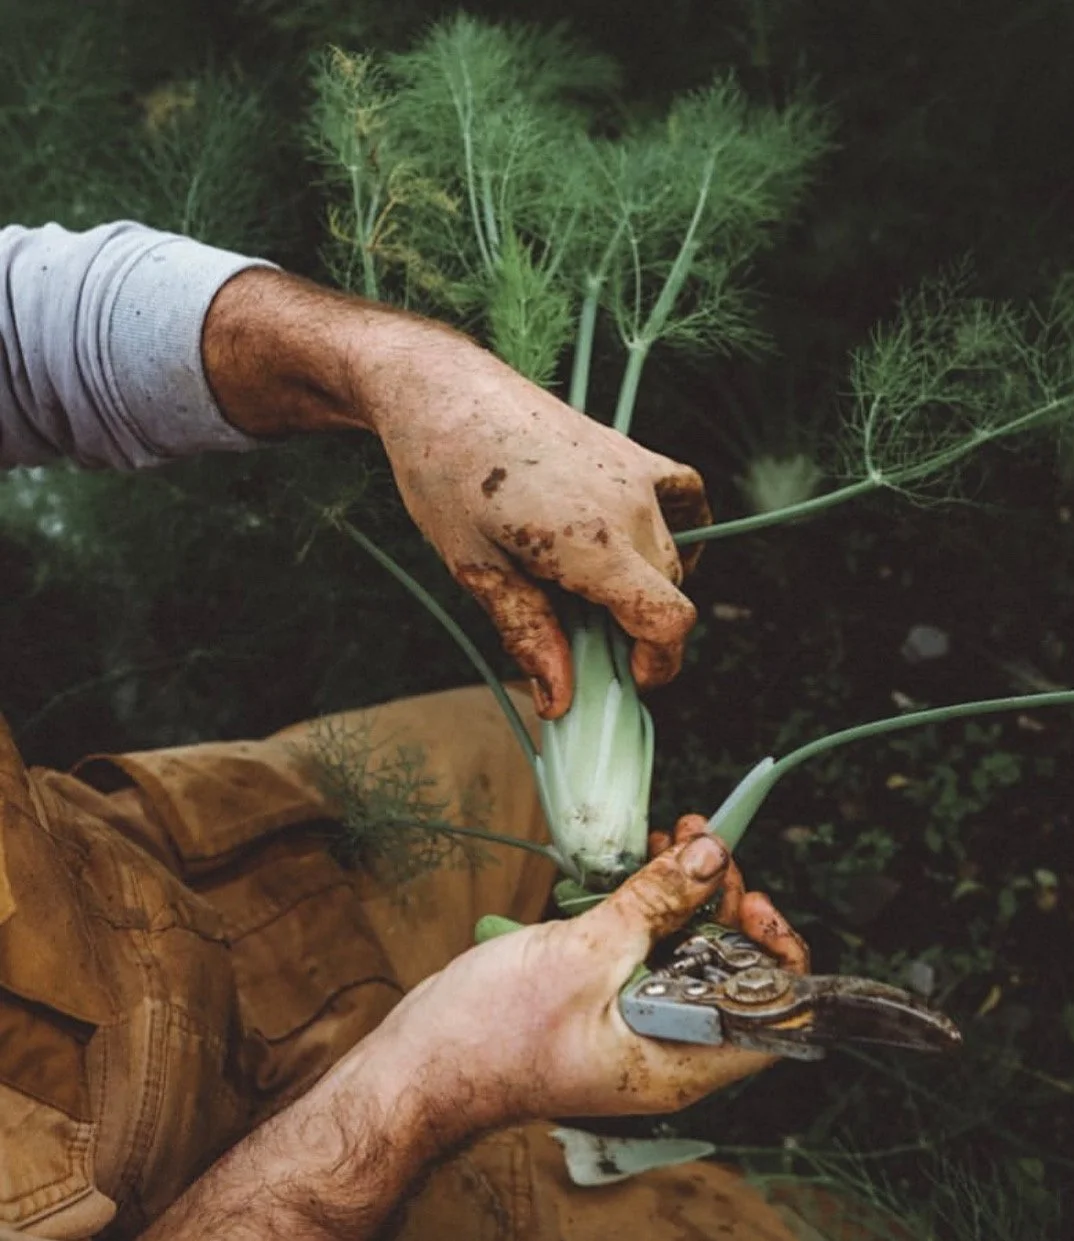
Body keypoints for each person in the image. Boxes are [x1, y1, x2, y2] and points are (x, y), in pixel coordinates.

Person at [0, 223, 812, 1240]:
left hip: (165, 871)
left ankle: (591, 938)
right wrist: (435, 1079)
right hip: (246, 1194)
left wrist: (407, 373)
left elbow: (23, 330)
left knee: (518, 731)